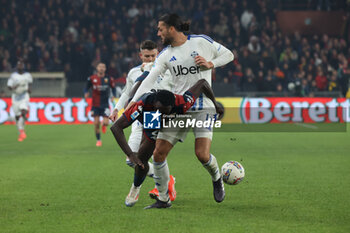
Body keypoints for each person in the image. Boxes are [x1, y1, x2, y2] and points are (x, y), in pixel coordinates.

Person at [130, 13, 234, 208]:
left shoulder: (201, 42)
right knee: (158, 153)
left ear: (171, 28)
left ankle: (217, 178)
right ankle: (163, 198)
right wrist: (131, 103)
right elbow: (149, 81)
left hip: (203, 107)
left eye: (160, 29)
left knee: (202, 155)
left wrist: (211, 63)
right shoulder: (165, 55)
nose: (158, 33)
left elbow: (229, 55)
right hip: (179, 108)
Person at [110, 79, 223, 207]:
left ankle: (165, 196)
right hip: (149, 118)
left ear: (171, 106)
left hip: (175, 120)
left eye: (165, 111)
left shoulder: (182, 102)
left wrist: (215, 104)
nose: (161, 113)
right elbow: (116, 127)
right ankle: (136, 188)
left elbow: (202, 83)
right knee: (141, 159)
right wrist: (130, 154)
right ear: (155, 104)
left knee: (198, 154)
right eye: (159, 110)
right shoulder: (143, 104)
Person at [109, 40, 175, 201]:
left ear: (158, 54)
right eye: (147, 56)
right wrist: (117, 108)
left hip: (154, 115)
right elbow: (126, 93)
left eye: (153, 56)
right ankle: (167, 180)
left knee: (154, 156)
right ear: (140, 55)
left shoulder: (166, 71)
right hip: (138, 118)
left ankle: (139, 189)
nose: (151, 59)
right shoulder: (133, 73)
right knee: (131, 160)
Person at [84, 62, 116, 146]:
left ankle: (104, 125)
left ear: (105, 69)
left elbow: (113, 88)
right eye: (100, 67)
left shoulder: (109, 79)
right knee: (96, 124)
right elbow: (86, 87)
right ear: (97, 68)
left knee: (106, 123)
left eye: (103, 67)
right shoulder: (91, 78)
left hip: (105, 105)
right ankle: (98, 140)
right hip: (95, 105)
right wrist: (86, 92)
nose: (101, 68)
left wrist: (113, 95)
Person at [7, 59, 33, 142]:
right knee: (17, 116)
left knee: (24, 109)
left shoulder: (27, 75)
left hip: (24, 96)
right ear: (17, 67)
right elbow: (9, 86)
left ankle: (24, 115)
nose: (20, 66)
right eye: (19, 65)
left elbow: (30, 84)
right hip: (15, 97)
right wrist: (14, 87)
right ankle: (21, 131)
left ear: (24, 66)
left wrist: (29, 89)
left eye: (22, 65)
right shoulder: (13, 76)